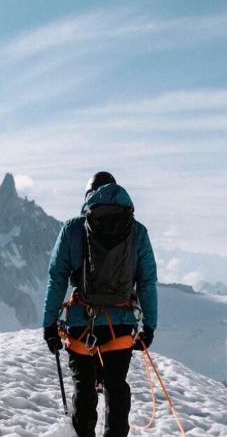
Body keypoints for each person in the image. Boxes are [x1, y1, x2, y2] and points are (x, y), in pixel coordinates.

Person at [41, 172, 158, 437]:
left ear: (89, 196)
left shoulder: (73, 229)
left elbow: (57, 278)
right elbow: (147, 281)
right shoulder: (137, 231)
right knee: (116, 387)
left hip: (82, 324)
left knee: (84, 389)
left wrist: (48, 324)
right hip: (121, 325)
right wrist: (149, 326)